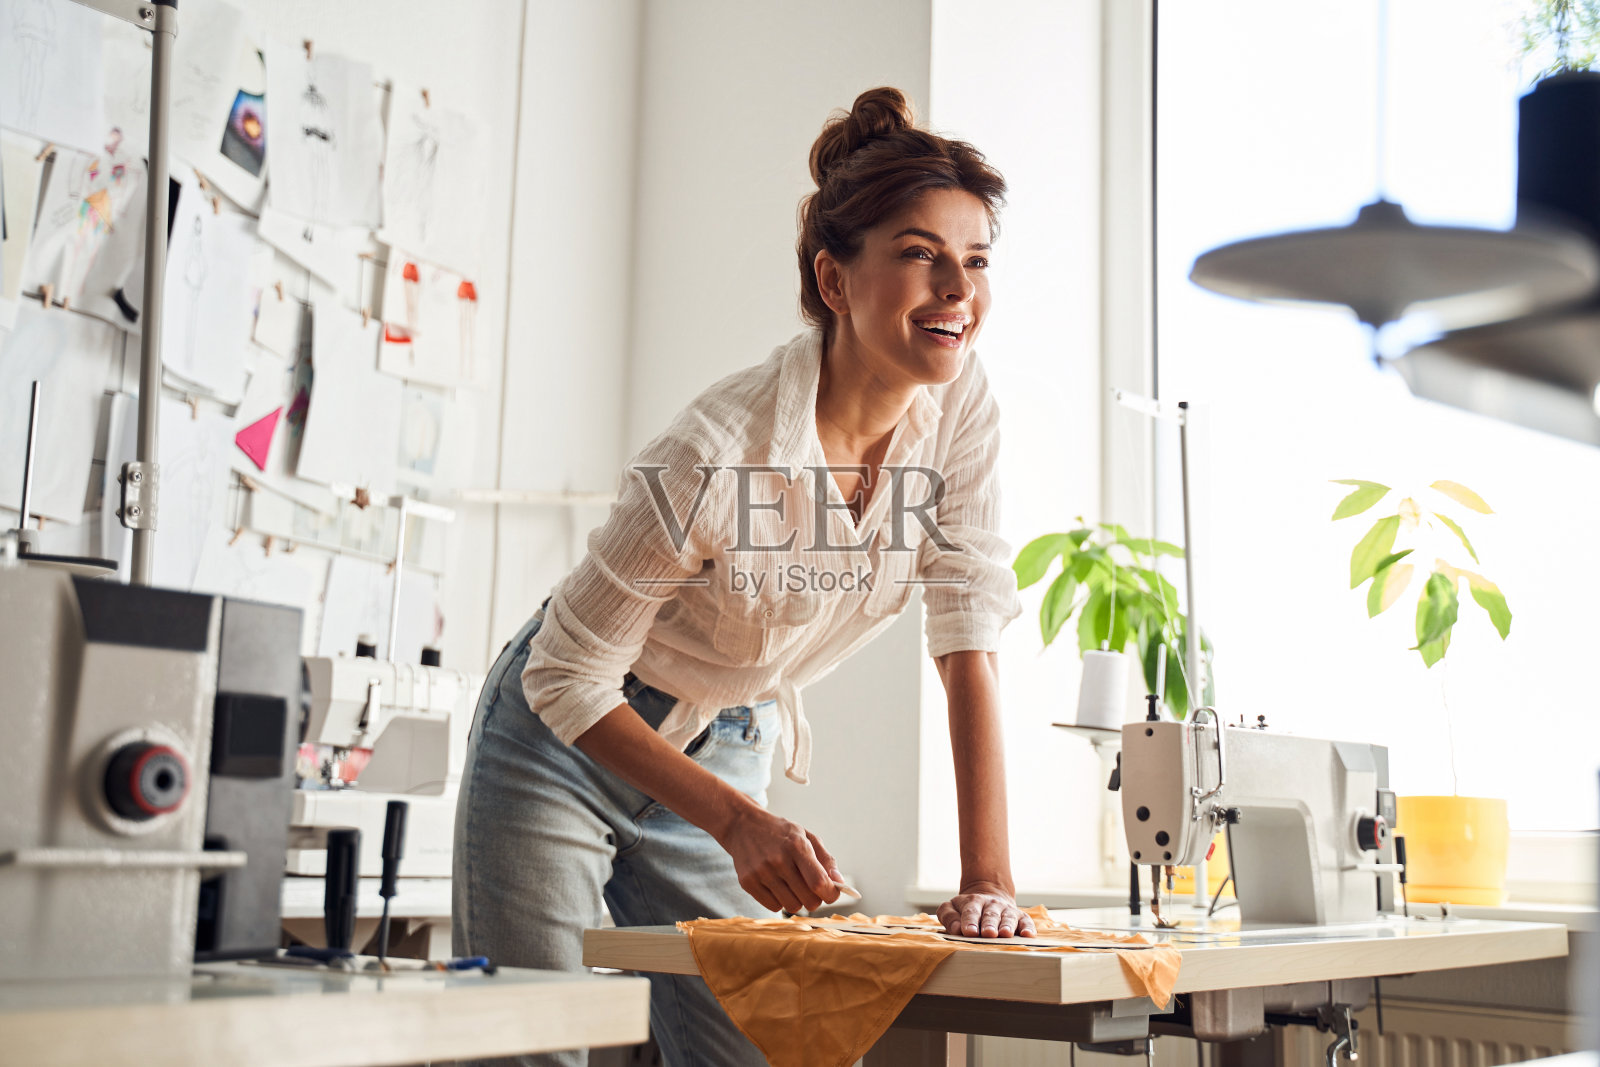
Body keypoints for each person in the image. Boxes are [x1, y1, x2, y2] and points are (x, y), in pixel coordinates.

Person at [453, 86, 1028, 1067]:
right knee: (534, 1048)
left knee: (758, 1052)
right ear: (835, 281)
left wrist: (989, 878)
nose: (957, 293)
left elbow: (964, 617)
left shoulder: (960, 402)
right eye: (920, 254)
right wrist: (737, 822)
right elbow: (565, 678)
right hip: (561, 742)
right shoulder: (719, 449)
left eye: (973, 262)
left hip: (729, 735)